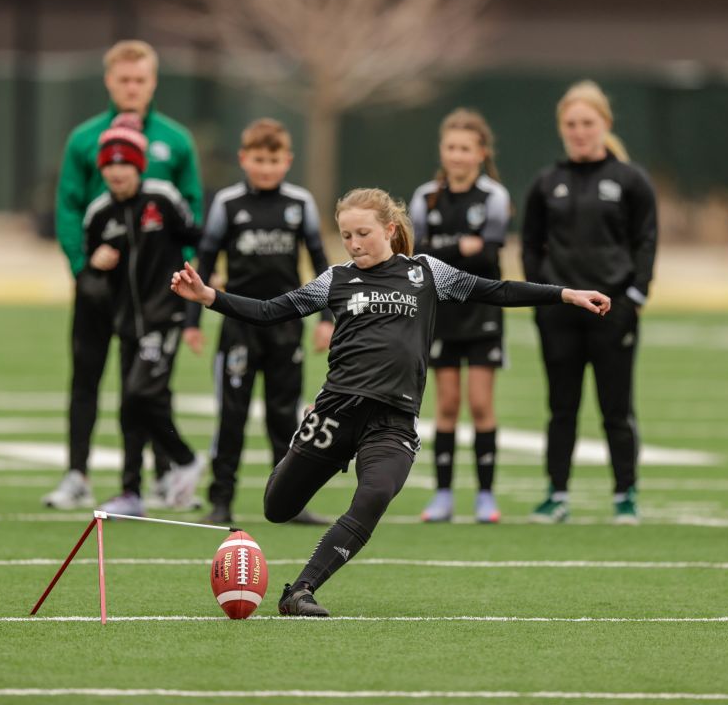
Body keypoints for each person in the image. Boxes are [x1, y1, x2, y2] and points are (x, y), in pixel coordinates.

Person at [170, 188, 610, 617]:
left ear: (390, 229)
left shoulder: (426, 272)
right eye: (345, 235)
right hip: (335, 410)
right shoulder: (336, 279)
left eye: (362, 233)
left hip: (393, 419)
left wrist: (564, 294)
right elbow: (271, 311)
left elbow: (495, 290)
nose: (354, 243)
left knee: (375, 493)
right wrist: (209, 297)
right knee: (277, 508)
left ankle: (300, 590)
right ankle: (299, 457)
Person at [44, 40, 203, 511]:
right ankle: (77, 474)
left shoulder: (175, 141)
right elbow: (69, 207)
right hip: (101, 287)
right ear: (109, 81)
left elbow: (192, 207)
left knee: (150, 383)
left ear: (152, 82)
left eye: (140, 80)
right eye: (123, 79)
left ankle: (159, 477)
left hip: (156, 287)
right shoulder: (83, 139)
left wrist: (188, 271)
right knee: (86, 377)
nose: (132, 87)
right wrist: (82, 267)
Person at [184, 118, 334, 526]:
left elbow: (321, 264)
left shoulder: (299, 203)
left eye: (273, 159)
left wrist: (327, 317)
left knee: (284, 416)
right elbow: (207, 260)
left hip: (287, 324)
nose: (265, 167)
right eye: (258, 159)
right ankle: (221, 501)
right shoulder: (228, 203)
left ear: (287, 160)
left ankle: (290, 502)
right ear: (243, 158)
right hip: (238, 324)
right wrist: (192, 321)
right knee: (231, 415)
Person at [522, 80, 657, 525]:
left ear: (605, 124)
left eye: (587, 123)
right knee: (562, 408)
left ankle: (626, 495)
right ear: (562, 128)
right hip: (560, 313)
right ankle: (556, 494)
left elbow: (646, 241)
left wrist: (634, 296)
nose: (579, 131)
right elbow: (530, 245)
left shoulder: (630, 180)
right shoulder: (547, 183)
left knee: (617, 409)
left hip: (612, 312)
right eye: (571, 124)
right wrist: (542, 297)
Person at [81, 124, 206, 517]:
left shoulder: (162, 198)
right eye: (109, 165)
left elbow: (197, 236)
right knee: (130, 405)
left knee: (141, 393)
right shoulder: (99, 214)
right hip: (126, 324)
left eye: (125, 164)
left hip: (163, 316)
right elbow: (89, 272)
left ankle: (184, 461)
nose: (117, 172)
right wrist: (95, 265)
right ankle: (131, 491)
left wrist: (197, 290)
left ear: (138, 166)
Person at [409, 108, 511, 524]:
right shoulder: (424, 197)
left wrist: (448, 251)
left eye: (466, 148)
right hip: (442, 312)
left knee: (480, 403)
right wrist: (460, 249)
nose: (457, 155)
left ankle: (486, 495)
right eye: (451, 147)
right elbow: (418, 255)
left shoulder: (494, 197)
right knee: (447, 404)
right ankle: (444, 494)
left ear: (481, 152)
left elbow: (488, 252)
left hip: (483, 310)